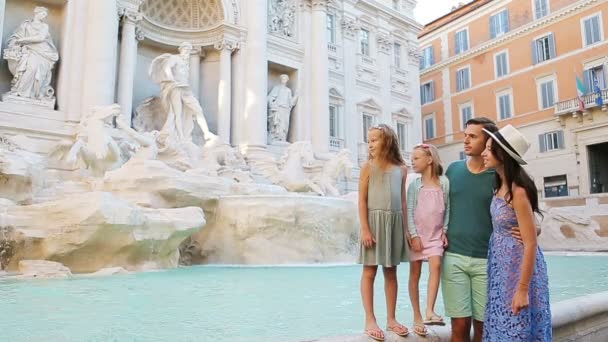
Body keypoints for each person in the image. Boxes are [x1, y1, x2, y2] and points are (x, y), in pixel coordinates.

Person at [442, 117, 529, 342]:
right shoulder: (453, 170)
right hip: (453, 257)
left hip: (488, 261)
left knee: (484, 326)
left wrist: (533, 229)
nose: (466, 141)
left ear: (488, 141)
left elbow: (520, 209)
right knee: (459, 326)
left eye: (473, 136)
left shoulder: (498, 175)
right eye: (465, 135)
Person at [480, 125, 551, 341]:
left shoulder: (517, 192)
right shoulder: (499, 187)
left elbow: (530, 244)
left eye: (489, 149)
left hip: (520, 270)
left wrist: (522, 289)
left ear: (502, 154)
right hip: (501, 269)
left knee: (517, 329)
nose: (483, 153)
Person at [358, 124, 409, 341]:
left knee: (391, 272)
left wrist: (406, 229)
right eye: (368, 140)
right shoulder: (368, 167)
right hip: (374, 223)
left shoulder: (402, 169)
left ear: (387, 141)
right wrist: (365, 229)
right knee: (369, 272)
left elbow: (403, 201)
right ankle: (370, 319)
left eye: (374, 140)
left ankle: (391, 319)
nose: (370, 144)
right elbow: (362, 200)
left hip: (394, 223)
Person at [406, 143, 449, 336]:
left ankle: (429, 310)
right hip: (418, 236)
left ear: (429, 159)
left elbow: (448, 208)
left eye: (416, 158)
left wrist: (445, 230)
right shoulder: (415, 185)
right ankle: (417, 315)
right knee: (415, 274)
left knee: (436, 267)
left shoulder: (444, 183)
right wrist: (413, 234)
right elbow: (409, 212)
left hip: (436, 236)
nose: (412, 162)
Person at [149, 42, 216, 143]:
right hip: (176, 88)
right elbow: (166, 68)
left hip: (185, 89)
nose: (187, 52)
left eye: (188, 50)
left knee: (197, 109)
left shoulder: (185, 63)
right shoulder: (175, 58)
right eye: (185, 50)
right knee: (177, 113)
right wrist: (172, 81)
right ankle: (180, 137)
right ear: (181, 50)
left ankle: (206, 133)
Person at [4, 6, 59, 100]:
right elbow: (16, 36)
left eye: (45, 15)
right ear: (36, 12)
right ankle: (19, 91)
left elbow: (40, 38)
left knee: (34, 69)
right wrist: (16, 42)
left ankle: (32, 94)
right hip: (28, 50)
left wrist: (22, 40)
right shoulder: (26, 25)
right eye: (42, 14)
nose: (44, 16)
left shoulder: (44, 26)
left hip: (42, 51)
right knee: (29, 68)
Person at [267, 74, 298, 142]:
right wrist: (273, 105)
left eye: (285, 79)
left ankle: (282, 139)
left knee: (284, 125)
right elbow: (270, 98)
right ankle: (275, 138)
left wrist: (296, 96)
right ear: (280, 80)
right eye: (283, 78)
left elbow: (291, 102)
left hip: (286, 110)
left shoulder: (288, 90)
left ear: (287, 80)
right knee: (277, 124)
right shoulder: (277, 88)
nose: (284, 80)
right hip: (278, 108)